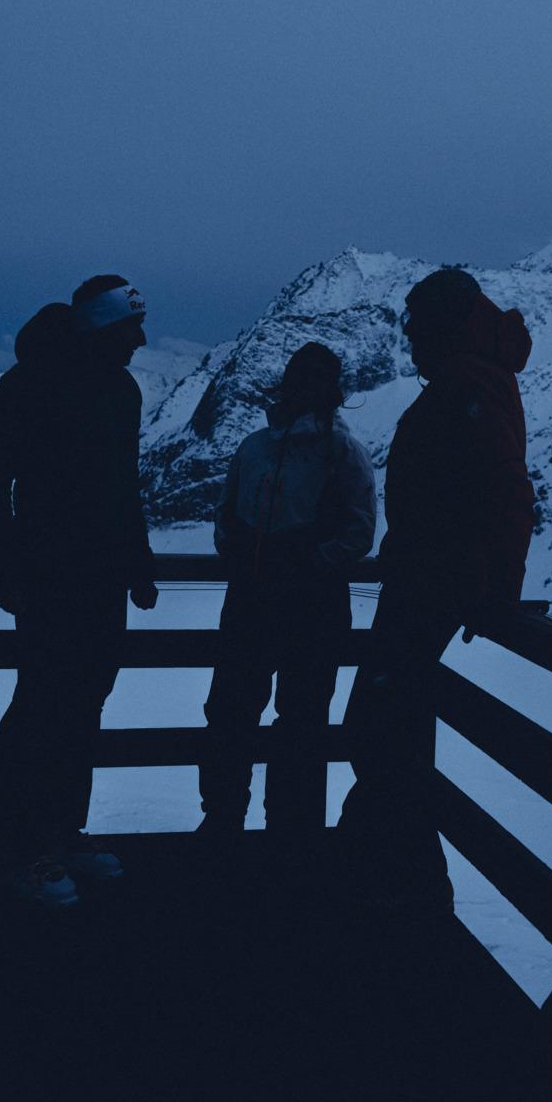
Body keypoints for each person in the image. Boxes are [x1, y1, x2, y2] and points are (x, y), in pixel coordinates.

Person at [338, 268, 535, 912]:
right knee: (391, 724)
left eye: (418, 326)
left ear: (443, 327)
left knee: (377, 722)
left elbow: (508, 492)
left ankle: (399, 882)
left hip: (433, 585)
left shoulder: (470, 387)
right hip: (430, 580)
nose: (410, 339)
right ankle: (395, 878)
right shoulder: (470, 379)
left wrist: (498, 588)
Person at [0, 275, 159, 906]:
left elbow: (121, 484)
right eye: (130, 326)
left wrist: (137, 562)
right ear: (102, 328)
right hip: (49, 578)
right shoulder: (31, 384)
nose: (140, 338)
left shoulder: (120, 390)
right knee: (43, 710)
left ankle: (58, 835)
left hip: (99, 578)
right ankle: (14, 851)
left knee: (82, 706)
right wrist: (1, 568)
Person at [200, 343, 377, 836]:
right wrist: (240, 549)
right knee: (235, 712)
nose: (308, 388)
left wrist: (304, 563)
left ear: (333, 391)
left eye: (318, 379)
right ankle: (228, 820)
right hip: (266, 600)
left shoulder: (341, 452)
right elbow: (224, 514)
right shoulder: (256, 447)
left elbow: (361, 532)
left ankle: (283, 828)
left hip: (303, 605)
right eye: (303, 377)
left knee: (291, 719)